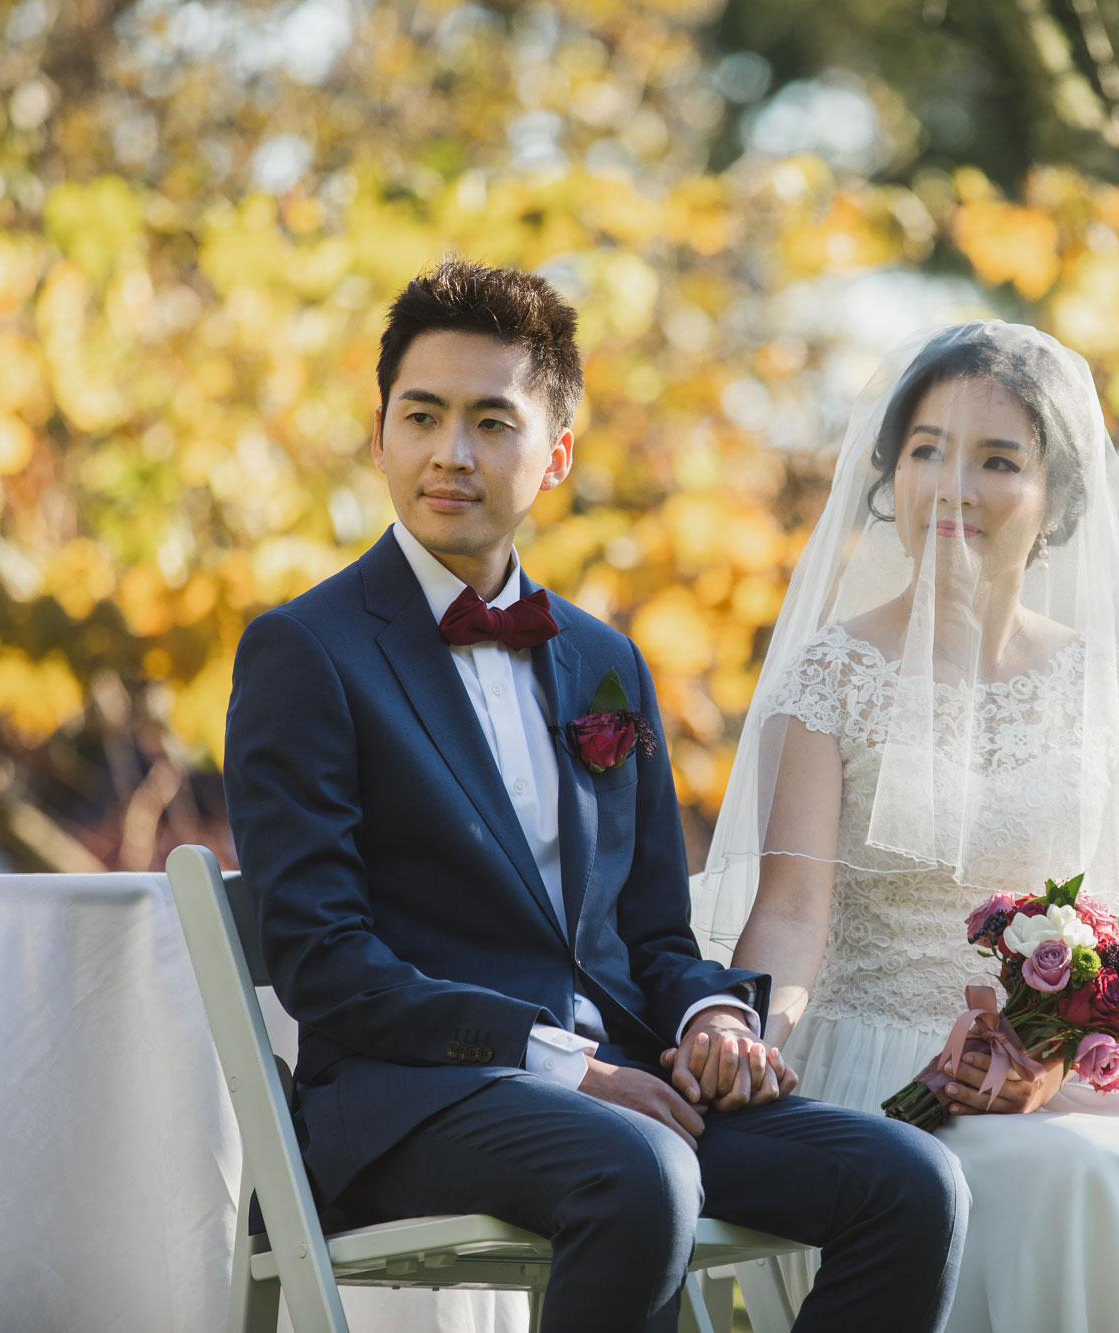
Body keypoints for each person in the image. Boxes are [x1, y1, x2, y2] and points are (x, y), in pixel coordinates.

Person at [223, 259, 968, 1333]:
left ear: (555, 453)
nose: (450, 452)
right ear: (378, 433)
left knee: (908, 1182)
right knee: (643, 1169)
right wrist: (559, 1065)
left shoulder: (604, 662)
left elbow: (651, 932)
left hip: (631, 1089)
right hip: (405, 1099)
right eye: (422, 416)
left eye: (491, 421)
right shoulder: (305, 651)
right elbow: (322, 960)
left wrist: (711, 1013)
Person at [694, 321, 1119, 1332]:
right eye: (926, 449)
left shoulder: (1114, 694)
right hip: (885, 1070)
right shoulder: (829, 678)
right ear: (888, 472)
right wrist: (751, 1043)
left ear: (1058, 495)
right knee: (1056, 1183)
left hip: (1049, 1077)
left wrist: (1053, 1060)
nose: (952, 485)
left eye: (996, 459)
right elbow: (791, 913)